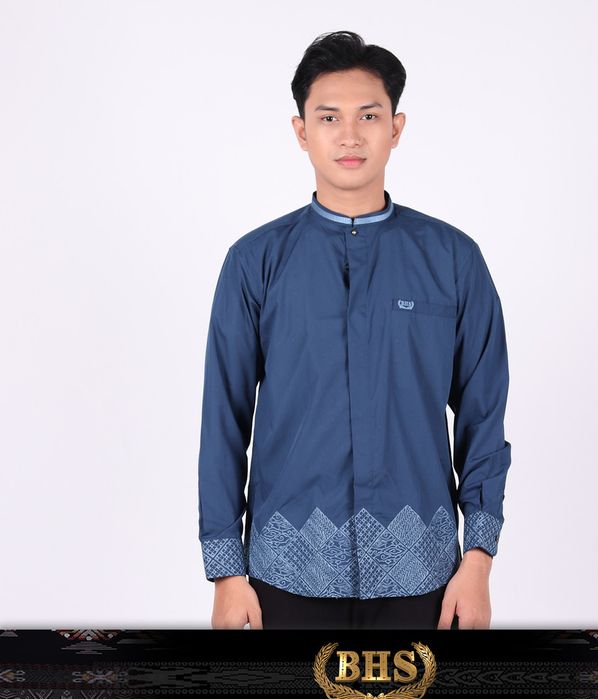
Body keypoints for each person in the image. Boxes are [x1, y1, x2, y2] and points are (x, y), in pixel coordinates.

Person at [198, 30, 512, 630]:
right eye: (329, 117)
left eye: (368, 116)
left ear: (396, 127)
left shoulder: (452, 259)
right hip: (282, 576)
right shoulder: (255, 262)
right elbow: (223, 424)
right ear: (301, 132)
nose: (349, 135)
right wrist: (226, 573)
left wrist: (478, 561)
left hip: (424, 576)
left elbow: (483, 419)